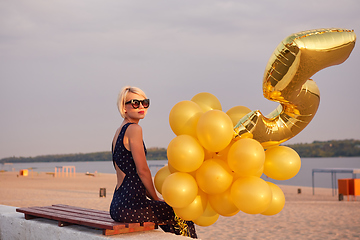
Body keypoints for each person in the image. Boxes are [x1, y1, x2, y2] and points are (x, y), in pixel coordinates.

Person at [109, 86, 197, 238]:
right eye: (135, 103)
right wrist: (155, 198)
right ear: (124, 107)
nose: (141, 106)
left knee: (169, 217)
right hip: (131, 207)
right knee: (182, 214)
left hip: (117, 205)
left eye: (145, 102)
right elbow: (142, 170)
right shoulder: (134, 129)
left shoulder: (119, 131)